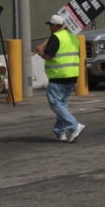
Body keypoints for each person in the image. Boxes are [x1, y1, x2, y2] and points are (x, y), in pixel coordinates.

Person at [35, 14, 85, 143]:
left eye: (51, 25)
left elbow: (48, 56)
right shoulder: (73, 38)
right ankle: (59, 132)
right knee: (61, 104)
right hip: (72, 76)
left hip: (58, 75)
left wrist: (40, 52)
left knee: (55, 103)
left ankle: (74, 126)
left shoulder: (56, 37)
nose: (50, 28)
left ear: (55, 26)